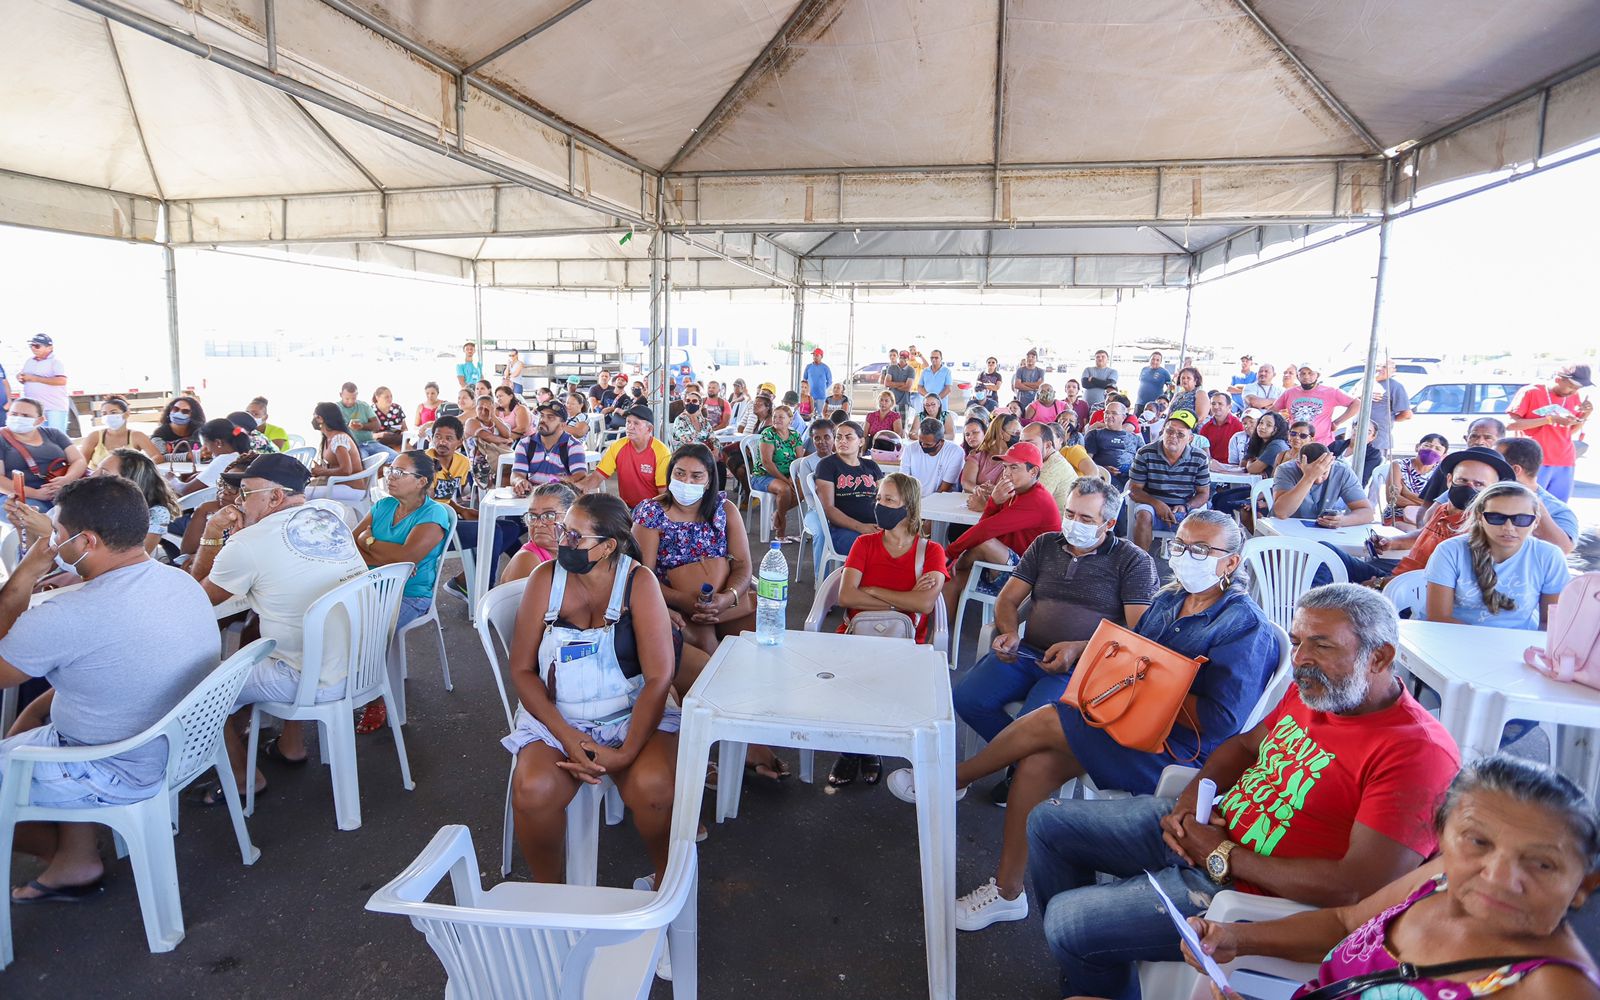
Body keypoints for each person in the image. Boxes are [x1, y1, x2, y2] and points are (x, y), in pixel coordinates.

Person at [1027, 583, 1460, 997]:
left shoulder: (1417, 753)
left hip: (1245, 893)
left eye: (1322, 646)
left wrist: (1223, 855)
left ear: (1379, 657)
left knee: (1068, 923)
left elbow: (1357, 889)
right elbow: (1244, 746)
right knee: (1048, 823)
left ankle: (1091, 968)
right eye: (1297, 642)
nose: (1300, 660)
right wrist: (1188, 805)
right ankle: (1093, 974)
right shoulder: (1317, 692)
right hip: (1210, 831)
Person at [896, 511, 1278, 935]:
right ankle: (1007, 893)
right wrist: (1130, 675)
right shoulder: (1171, 598)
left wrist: (1152, 685)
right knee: (1037, 763)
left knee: (1053, 718)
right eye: (1181, 546)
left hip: (1177, 752)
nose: (1187, 557)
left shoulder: (1245, 627)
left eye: (1201, 550)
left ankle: (952, 778)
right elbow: (1136, 654)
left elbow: (1224, 721)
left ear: (1231, 562)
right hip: (1132, 723)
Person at [1186, 755, 1600, 1000]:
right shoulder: (1441, 879)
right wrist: (1235, 938)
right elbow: (1344, 923)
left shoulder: (1554, 988)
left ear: (1583, 885)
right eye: (1478, 842)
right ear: (1442, 837)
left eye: (1542, 864)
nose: (1498, 876)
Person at [0, 477, 219, 901]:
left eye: (58, 534)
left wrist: (25, 573)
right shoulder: (180, 581)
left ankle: (59, 855)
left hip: (117, 764)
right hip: (184, 743)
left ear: (88, 541)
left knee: (46, 732)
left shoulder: (68, 614)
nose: (53, 543)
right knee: (51, 715)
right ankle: (75, 859)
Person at [502, 493, 680, 895]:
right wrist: (569, 738)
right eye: (563, 530)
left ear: (608, 546)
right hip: (557, 717)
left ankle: (666, 880)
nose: (562, 540)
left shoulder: (638, 582)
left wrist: (626, 753)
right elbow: (522, 670)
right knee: (533, 791)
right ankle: (552, 895)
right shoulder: (545, 580)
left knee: (655, 789)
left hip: (631, 713)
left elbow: (659, 677)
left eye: (574, 536)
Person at [951, 478, 1157, 804]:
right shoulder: (1046, 544)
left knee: (1033, 721)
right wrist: (1008, 632)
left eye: (1086, 518)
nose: (1074, 523)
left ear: (1109, 523)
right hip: (1027, 653)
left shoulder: (1132, 561)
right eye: (1070, 513)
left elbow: (1139, 633)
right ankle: (1027, 766)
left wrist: (1078, 649)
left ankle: (1013, 771)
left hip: (1085, 668)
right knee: (967, 698)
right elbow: (1007, 600)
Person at [186, 454, 369, 802]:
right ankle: (290, 744)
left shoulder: (248, 544)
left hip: (311, 677)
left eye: (245, 493)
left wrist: (212, 533)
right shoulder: (329, 516)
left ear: (275, 496)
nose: (238, 502)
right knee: (268, 635)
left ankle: (243, 778)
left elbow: (198, 598)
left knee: (200, 689)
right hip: (361, 662)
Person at [827, 473, 951, 786]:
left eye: (889, 500)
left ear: (909, 507)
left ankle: (866, 749)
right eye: (879, 499)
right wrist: (901, 603)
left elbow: (924, 604)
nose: (880, 505)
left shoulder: (931, 551)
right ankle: (855, 749)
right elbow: (846, 596)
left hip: (905, 641)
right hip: (857, 636)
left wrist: (873, 591)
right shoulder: (864, 543)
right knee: (857, 675)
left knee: (881, 677)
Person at [348, 450, 451, 733]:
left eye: (399, 472)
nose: (390, 477)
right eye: (390, 470)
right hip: (369, 586)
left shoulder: (433, 513)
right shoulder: (383, 506)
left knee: (366, 630)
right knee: (336, 621)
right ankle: (347, 684)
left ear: (421, 481)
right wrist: (387, 558)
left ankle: (375, 698)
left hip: (410, 594)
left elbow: (405, 559)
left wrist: (368, 541)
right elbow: (351, 545)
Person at [632, 443, 760, 660]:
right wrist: (682, 600)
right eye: (679, 473)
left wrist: (728, 597)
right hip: (671, 602)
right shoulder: (652, 514)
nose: (686, 482)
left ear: (709, 480)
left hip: (723, 600)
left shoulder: (725, 510)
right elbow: (642, 576)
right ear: (670, 473)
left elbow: (742, 565)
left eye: (696, 476)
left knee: (755, 645)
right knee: (707, 648)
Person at [942, 441, 1063, 620]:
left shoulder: (1038, 499)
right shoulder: (1013, 491)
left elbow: (985, 531)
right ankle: (940, 635)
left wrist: (950, 553)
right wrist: (994, 502)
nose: (1006, 473)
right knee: (951, 580)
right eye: (1005, 467)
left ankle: (948, 564)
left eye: (1014, 467)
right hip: (1003, 563)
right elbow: (985, 526)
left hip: (1029, 576)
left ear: (1033, 472)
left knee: (981, 545)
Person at [1425, 482, 1568, 631]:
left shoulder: (1549, 556)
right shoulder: (1450, 551)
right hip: (1452, 637)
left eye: (1521, 519)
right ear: (1480, 517)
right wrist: (1488, 643)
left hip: (1519, 643)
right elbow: (1439, 618)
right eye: (1496, 517)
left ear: (1536, 521)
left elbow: (1550, 623)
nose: (1509, 527)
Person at [1506, 363, 1592, 502]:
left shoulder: (1574, 396)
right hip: (1533, 460)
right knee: (1528, 505)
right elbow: (1511, 425)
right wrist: (1550, 419)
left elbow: (1570, 431)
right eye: (1572, 386)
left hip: (1565, 460)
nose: (1574, 391)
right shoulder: (1531, 391)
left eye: (1578, 388)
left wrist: (1585, 414)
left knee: (1558, 508)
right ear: (1558, 379)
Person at [1129, 411, 1211, 551]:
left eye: (1180, 434)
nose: (1173, 436)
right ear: (1163, 431)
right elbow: (1134, 489)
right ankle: (1140, 561)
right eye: (1170, 431)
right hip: (1152, 505)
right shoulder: (1145, 453)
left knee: (1199, 522)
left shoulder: (1200, 457)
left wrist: (1186, 507)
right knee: (1144, 514)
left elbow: (1204, 493)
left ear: (1190, 438)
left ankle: (1188, 563)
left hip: (1184, 508)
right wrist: (1157, 504)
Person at [571, 406, 671, 510]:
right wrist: (572, 487)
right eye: (628, 422)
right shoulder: (617, 446)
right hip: (627, 507)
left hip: (653, 508)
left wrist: (647, 513)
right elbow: (597, 477)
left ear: (649, 429)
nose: (630, 427)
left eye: (636, 423)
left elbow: (663, 495)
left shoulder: (661, 453)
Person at [0, 397, 87, 512]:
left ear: (40, 420)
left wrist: (67, 479)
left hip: (63, 490)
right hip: (18, 495)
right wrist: (36, 493)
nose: (18, 418)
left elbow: (78, 460)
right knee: (38, 515)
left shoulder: (53, 433)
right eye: (14, 414)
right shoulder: (1, 438)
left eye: (25, 416)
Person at [812, 420, 883, 559]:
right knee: (879, 550)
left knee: (907, 543)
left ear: (861, 441)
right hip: (844, 530)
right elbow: (829, 509)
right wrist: (862, 527)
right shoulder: (827, 465)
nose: (842, 441)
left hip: (875, 526)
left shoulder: (871, 465)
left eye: (848, 437)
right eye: (838, 437)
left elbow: (884, 497)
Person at [1496, 437, 1579, 553]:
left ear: (1515, 470)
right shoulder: (1484, 493)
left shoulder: (1557, 510)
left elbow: (1563, 549)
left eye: (1495, 463)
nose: (1488, 467)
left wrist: (1533, 505)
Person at [98, 447, 181, 553]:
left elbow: (136, 556)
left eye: (104, 474)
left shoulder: (155, 514)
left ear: (130, 482)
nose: (91, 475)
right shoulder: (97, 502)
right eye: (96, 469)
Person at [743, 403, 806, 541]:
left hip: (787, 475)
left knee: (804, 488)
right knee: (785, 489)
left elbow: (799, 460)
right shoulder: (768, 433)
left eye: (781, 417)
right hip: (763, 476)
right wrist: (785, 480)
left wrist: (792, 477)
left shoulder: (795, 435)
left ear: (790, 420)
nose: (777, 420)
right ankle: (780, 531)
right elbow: (767, 463)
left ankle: (778, 513)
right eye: (775, 417)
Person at [1271, 442, 1374, 525]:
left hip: (1322, 532)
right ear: (1299, 464)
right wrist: (1309, 478)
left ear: (1331, 462)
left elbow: (1367, 512)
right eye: (1314, 472)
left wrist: (1342, 521)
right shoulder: (1285, 469)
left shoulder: (1342, 470)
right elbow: (1282, 513)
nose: (1319, 479)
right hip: (1286, 529)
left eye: (1324, 473)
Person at [502, 481, 579, 584]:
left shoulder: (576, 551)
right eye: (532, 516)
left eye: (549, 516)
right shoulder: (527, 559)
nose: (538, 524)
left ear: (571, 517)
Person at [511, 402, 587, 496]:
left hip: (561, 498)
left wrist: (560, 482)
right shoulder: (525, 444)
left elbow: (580, 475)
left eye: (550, 417)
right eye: (542, 415)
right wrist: (519, 481)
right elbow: (517, 474)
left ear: (562, 425)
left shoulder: (573, 445)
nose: (543, 420)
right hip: (532, 497)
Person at [1277, 364, 1359, 445]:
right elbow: (1273, 411)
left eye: (1310, 373)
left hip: (1321, 444)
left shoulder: (1330, 392)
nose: (1306, 376)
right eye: (1303, 373)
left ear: (1317, 375)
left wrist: (1337, 422)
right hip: (1295, 444)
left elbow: (1356, 403)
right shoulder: (1289, 393)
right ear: (1298, 376)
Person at [177, 417, 255, 497]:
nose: (206, 449)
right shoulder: (240, 456)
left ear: (218, 443)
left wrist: (172, 478)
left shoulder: (224, 460)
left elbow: (184, 491)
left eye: (206, 444)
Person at [305, 402, 364, 501]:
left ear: (320, 418)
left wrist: (322, 471)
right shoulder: (328, 438)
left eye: (314, 416)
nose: (313, 419)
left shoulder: (339, 439)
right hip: (338, 485)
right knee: (299, 489)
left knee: (303, 494)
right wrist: (319, 470)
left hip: (351, 488)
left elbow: (346, 470)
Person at [1385, 433, 1448, 525]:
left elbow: (1440, 504)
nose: (1431, 450)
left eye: (1437, 449)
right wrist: (1425, 506)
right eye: (1427, 445)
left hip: (1428, 519)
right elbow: (1393, 499)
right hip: (1397, 515)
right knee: (1412, 532)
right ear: (1417, 447)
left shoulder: (1442, 472)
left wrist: (1408, 494)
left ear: (1443, 456)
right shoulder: (1399, 465)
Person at [1021, 421, 1078, 518]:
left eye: (1030, 444)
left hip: (1058, 524)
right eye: (1021, 443)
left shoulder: (1053, 467)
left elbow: (1030, 505)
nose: (1023, 448)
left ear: (1047, 445)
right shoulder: (1043, 460)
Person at [1084, 397, 1142, 485]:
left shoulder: (1135, 438)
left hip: (1131, 481)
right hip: (1103, 479)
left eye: (1114, 413)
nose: (1108, 416)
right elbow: (1086, 461)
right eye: (1107, 412)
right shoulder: (1094, 434)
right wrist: (1103, 469)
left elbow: (1144, 462)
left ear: (1123, 417)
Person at [18, 333, 70, 433]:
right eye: (31, 345)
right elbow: (26, 378)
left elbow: (62, 380)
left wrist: (35, 378)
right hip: (34, 409)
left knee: (56, 436)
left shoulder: (56, 361)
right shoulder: (29, 361)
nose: (33, 348)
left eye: (37, 346)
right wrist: (21, 378)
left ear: (49, 347)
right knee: (37, 437)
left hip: (54, 408)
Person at [1361, 357, 1414, 454]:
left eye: (1384, 367)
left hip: (1378, 440)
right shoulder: (1364, 382)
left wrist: (1388, 419)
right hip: (1358, 435)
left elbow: (1407, 414)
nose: (1379, 369)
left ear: (1393, 370)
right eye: (1377, 366)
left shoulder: (1395, 386)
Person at [464, 393, 517, 488]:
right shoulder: (471, 422)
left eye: (487, 409)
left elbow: (507, 434)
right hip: (482, 464)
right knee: (508, 473)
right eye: (480, 408)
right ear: (476, 409)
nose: (483, 412)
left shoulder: (497, 421)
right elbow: (486, 436)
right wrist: (503, 441)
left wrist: (493, 417)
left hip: (499, 460)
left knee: (515, 472)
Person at [904, 416, 965, 495]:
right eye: (920, 442)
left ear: (941, 441)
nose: (923, 446)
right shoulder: (910, 449)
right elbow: (904, 480)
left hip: (941, 498)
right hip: (914, 497)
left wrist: (925, 501)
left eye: (928, 444)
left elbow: (944, 489)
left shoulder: (955, 452)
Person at [962, 412, 1021, 493]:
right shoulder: (978, 454)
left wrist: (994, 492)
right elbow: (966, 482)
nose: (1019, 437)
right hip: (974, 498)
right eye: (1015, 433)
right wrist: (979, 490)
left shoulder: (1017, 458)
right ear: (1001, 433)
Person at [337, 381, 391, 460]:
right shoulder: (336, 408)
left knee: (397, 458)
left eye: (353, 398)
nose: (351, 401)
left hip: (371, 443)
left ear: (357, 395)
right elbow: (333, 430)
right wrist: (348, 427)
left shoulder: (364, 406)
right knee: (364, 462)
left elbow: (377, 425)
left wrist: (362, 426)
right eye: (347, 399)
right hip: (353, 447)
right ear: (341, 395)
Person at [668, 386, 718, 452]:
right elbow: (687, 441)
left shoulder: (703, 421)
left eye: (694, 401)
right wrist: (706, 449)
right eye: (688, 401)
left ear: (700, 404)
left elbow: (713, 438)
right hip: (685, 454)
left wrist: (716, 449)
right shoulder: (680, 420)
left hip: (704, 454)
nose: (690, 403)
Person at [1198, 391, 1244, 463]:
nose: (1216, 407)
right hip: (1211, 465)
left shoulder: (1239, 425)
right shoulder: (1205, 428)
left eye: (1220, 404)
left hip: (1233, 466)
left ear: (1229, 407)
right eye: (1213, 404)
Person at [371, 386, 408, 450]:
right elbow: (368, 435)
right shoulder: (371, 411)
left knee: (406, 438)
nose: (390, 399)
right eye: (386, 397)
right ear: (377, 398)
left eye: (391, 396)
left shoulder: (397, 408)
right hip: (380, 440)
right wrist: (381, 434)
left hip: (396, 438)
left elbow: (404, 428)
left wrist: (403, 432)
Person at [919, 349, 954, 416]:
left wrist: (936, 400)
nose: (933, 359)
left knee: (941, 422)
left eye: (936, 358)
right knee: (926, 422)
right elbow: (919, 387)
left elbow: (948, 389)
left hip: (941, 406)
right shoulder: (925, 371)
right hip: (927, 407)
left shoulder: (946, 371)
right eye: (932, 357)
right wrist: (929, 399)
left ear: (941, 358)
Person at [801, 347, 833, 414]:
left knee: (820, 415)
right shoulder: (808, 367)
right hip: (810, 396)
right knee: (809, 414)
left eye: (817, 355)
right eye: (814, 355)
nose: (815, 357)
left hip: (821, 396)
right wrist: (806, 390)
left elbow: (830, 381)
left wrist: (823, 388)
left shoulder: (825, 368)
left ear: (821, 356)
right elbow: (804, 380)